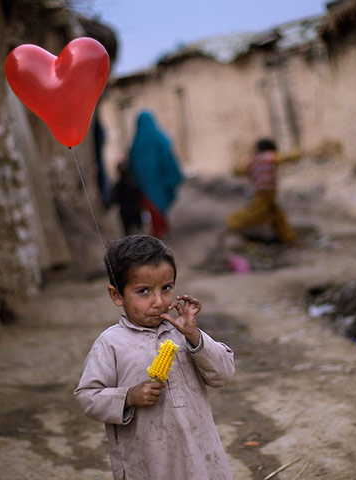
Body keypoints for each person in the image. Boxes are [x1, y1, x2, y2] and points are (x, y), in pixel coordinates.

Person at [74, 234, 235, 480]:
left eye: (166, 288)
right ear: (117, 295)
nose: (158, 301)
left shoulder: (183, 331)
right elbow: (87, 396)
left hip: (199, 457)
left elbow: (224, 374)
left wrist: (194, 336)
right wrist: (128, 396)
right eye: (143, 291)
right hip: (149, 461)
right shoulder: (111, 343)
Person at [224, 138, 297, 243]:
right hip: (265, 193)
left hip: (264, 193)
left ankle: (288, 237)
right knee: (255, 213)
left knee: (277, 215)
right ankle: (231, 223)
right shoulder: (268, 157)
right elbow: (284, 157)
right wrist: (297, 153)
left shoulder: (252, 161)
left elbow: (239, 170)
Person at [128, 111, 183, 239]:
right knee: (158, 206)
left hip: (145, 183)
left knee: (153, 207)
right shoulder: (162, 139)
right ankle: (160, 231)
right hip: (160, 181)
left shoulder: (137, 143)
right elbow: (170, 158)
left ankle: (160, 231)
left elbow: (132, 163)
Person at [110, 160, 143, 235]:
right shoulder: (135, 183)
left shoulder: (119, 185)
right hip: (133, 210)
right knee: (136, 230)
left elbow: (113, 198)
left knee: (129, 231)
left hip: (127, 211)